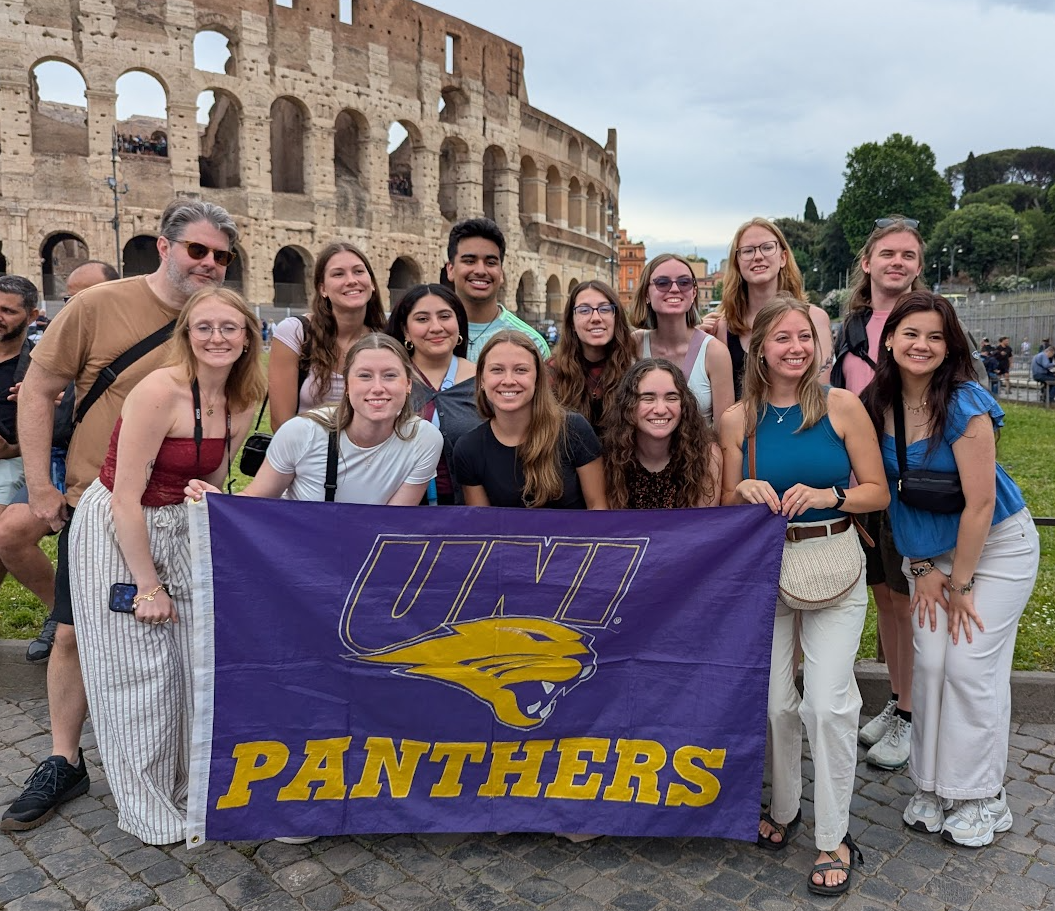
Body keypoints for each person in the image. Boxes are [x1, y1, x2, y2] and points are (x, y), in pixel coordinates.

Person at [1, 199, 238, 833]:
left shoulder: (220, 323)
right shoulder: (99, 305)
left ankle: (175, 764)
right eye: (198, 250)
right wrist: (40, 484)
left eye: (221, 256)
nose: (210, 264)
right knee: (74, 634)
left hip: (176, 516)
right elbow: (43, 388)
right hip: (95, 498)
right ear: (164, 246)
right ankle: (61, 757)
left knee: (174, 645)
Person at [69, 288, 264, 844]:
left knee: (185, 666)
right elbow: (126, 497)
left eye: (229, 328)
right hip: (119, 530)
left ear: (248, 335)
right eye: (204, 327)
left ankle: (183, 784)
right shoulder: (160, 390)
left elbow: (215, 473)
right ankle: (144, 806)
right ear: (186, 334)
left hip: (179, 525)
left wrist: (207, 495)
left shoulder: (245, 396)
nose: (217, 338)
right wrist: (147, 586)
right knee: (136, 673)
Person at [719, 294, 888, 896]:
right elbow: (721, 502)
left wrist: (827, 496)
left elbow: (876, 491)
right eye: (782, 338)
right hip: (764, 566)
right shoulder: (737, 418)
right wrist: (742, 488)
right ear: (758, 348)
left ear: (817, 348)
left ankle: (834, 835)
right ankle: (787, 810)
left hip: (834, 559)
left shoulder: (841, 407)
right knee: (772, 703)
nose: (795, 348)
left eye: (805, 338)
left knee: (826, 703)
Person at [861, 291, 1040, 848]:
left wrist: (960, 581)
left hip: (996, 548)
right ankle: (935, 786)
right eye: (911, 333)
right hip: (929, 555)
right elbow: (897, 496)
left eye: (936, 336)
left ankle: (984, 797)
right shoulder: (877, 403)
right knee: (932, 665)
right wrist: (921, 565)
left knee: (968, 668)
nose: (922, 345)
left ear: (949, 346)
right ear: (889, 340)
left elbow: (982, 504)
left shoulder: (964, 402)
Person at [829, 215, 924, 771]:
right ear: (867, 263)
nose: (896, 263)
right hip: (866, 480)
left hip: (912, 477)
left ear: (918, 265)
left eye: (907, 255)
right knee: (885, 598)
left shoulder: (930, 317)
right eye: (887, 254)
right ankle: (897, 699)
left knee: (909, 602)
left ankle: (913, 713)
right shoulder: (852, 326)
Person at [189, 333, 443, 507]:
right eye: (364, 376)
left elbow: (393, 521)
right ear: (346, 385)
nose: (377, 387)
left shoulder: (424, 439)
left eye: (389, 376)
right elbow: (256, 498)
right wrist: (218, 502)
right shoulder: (302, 432)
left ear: (408, 384)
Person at [12, 262, 119, 663]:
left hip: (104, 472)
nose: (74, 305)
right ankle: (60, 616)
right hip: (59, 463)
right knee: (10, 533)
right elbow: (30, 398)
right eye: (70, 298)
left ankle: (72, 622)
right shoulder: (58, 336)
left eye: (85, 297)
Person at [453, 330, 606, 509]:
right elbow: (484, 526)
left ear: (537, 378)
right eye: (497, 370)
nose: (508, 380)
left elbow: (598, 508)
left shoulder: (574, 430)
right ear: (481, 380)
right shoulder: (468, 448)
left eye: (521, 370)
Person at [268, 242, 386, 430]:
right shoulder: (296, 333)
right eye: (338, 274)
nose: (351, 280)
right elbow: (281, 424)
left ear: (371, 283)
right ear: (322, 289)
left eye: (358, 271)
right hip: (307, 453)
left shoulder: (385, 341)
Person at [711, 218, 832, 399]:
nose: (758, 256)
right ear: (737, 262)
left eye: (767, 247)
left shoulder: (815, 318)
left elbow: (821, 391)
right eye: (748, 251)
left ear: (783, 258)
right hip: (746, 425)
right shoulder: (724, 327)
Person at [385, 283, 478, 504]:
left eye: (445, 316)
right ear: (406, 329)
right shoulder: (388, 381)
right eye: (422, 319)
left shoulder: (485, 380)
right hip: (400, 509)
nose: (436, 327)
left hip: (470, 510)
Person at [630, 253, 733, 426]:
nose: (675, 289)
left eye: (684, 282)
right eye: (663, 283)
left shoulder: (715, 352)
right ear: (646, 294)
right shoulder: (634, 344)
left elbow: (725, 431)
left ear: (693, 293)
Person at [604, 358, 721, 509]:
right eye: (648, 398)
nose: (660, 410)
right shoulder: (609, 456)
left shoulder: (707, 456)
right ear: (628, 404)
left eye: (671, 398)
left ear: (684, 405)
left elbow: (704, 525)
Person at [445, 218, 550, 361]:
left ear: (501, 273)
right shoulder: (431, 334)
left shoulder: (532, 342)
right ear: (450, 270)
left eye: (490, 263)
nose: (481, 271)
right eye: (469, 261)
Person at [548, 280, 636, 434]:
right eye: (584, 310)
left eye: (604, 309)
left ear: (616, 317)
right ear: (572, 324)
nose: (596, 317)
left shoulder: (635, 368)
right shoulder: (552, 372)